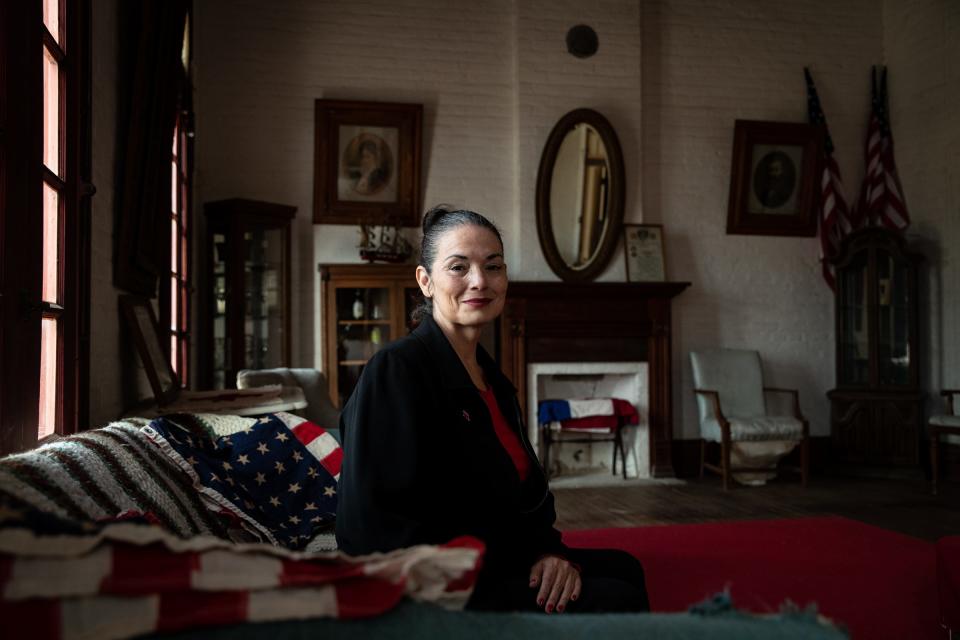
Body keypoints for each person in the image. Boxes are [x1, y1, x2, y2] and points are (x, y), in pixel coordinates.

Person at [335, 205, 650, 614]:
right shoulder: (397, 370)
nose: (479, 281)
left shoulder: (492, 380)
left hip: (499, 555)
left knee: (627, 568)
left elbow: (521, 498)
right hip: (436, 584)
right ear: (425, 281)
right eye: (458, 267)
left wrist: (547, 553)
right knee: (617, 599)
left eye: (493, 266)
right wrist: (522, 563)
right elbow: (370, 527)